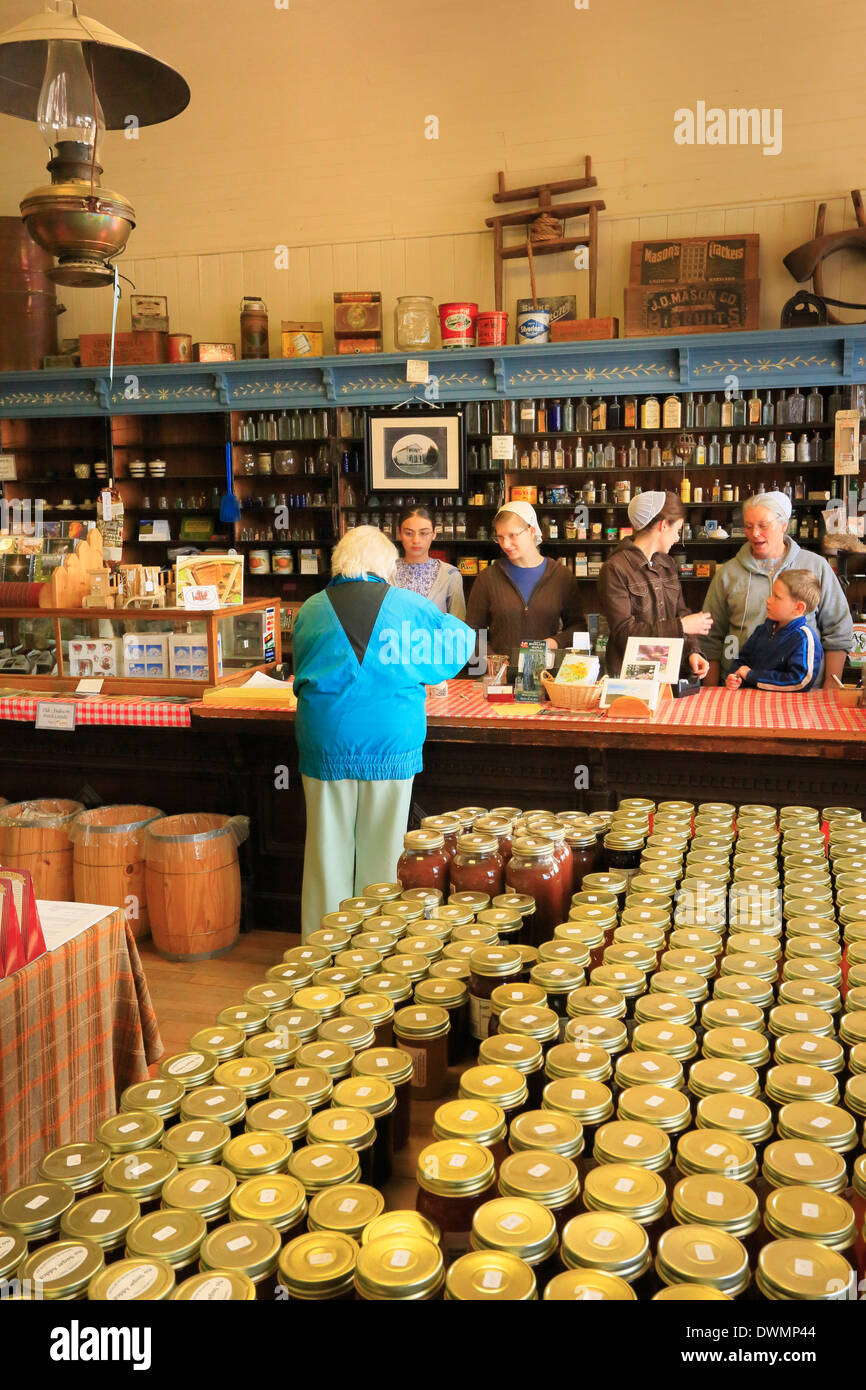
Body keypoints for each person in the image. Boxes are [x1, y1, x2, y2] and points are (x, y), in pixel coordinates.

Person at [292, 525, 473, 938]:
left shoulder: (311, 609)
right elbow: (457, 646)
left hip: (327, 740)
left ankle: (322, 950)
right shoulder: (408, 606)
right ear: (383, 566)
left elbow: (301, 670)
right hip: (390, 740)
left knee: (326, 849)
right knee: (384, 849)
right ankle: (375, 949)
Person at [701, 491, 853, 687]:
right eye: (748, 526)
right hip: (740, 691)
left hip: (803, 693)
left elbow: (838, 631)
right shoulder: (727, 573)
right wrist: (712, 693)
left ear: (784, 526)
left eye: (763, 526)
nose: (754, 533)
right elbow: (710, 639)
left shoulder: (816, 566)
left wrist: (831, 691)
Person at [597, 490, 712, 680]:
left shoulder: (668, 564)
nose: (677, 538)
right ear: (663, 525)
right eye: (677, 530)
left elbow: (681, 613)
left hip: (671, 674)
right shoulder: (615, 568)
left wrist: (693, 652)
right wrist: (680, 626)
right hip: (632, 679)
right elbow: (624, 634)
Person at [465, 500, 585, 659]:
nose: (506, 544)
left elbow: (579, 627)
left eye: (513, 535)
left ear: (531, 531)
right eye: (500, 537)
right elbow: (472, 631)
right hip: (502, 678)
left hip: (546, 675)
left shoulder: (561, 577)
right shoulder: (488, 578)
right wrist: (493, 661)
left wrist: (554, 642)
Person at [725, 569, 823, 692]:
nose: (768, 600)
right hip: (751, 703)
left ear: (798, 608)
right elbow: (742, 660)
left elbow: (801, 681)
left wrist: (751, 676)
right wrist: (736, 677)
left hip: (785, 708)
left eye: (776, 597)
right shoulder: (762, 630)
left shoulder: (804, 639)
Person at [392, 505, 466, 616]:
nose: (416, 540)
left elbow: (458, 624)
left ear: (434, 533)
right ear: (399, 533)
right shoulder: (386, 572)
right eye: (408, 533)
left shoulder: (450, 575)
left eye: (423, 533)